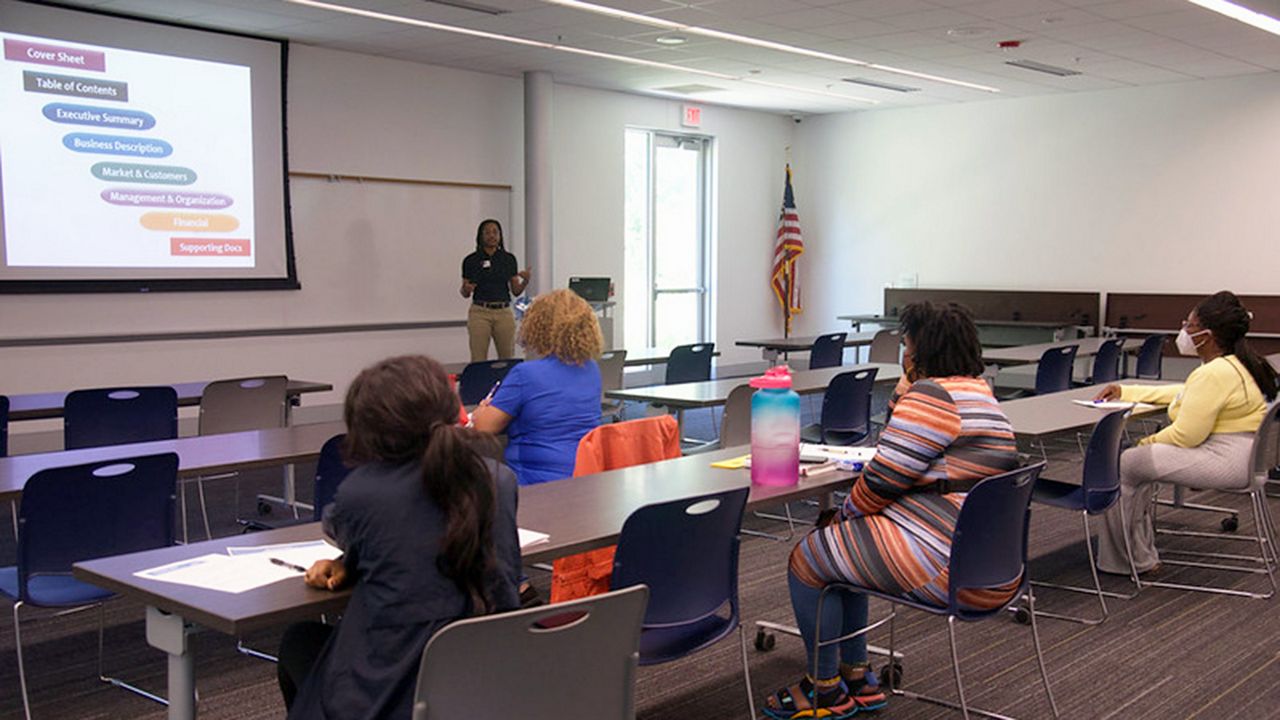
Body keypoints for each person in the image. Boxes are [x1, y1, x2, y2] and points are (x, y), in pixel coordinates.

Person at [765, 302, 1019, 719]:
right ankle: (858, 677)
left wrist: (842, 515)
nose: (902, 354)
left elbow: (882, 479)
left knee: (809, 556)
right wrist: (904, 393)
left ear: (920, 354)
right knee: (844, 549)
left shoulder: (934, 397)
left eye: (906, 346)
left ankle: (824, 690)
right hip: (987, 563)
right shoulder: (980, 393)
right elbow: (903, 456)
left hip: (947, 564)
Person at [277, 355, 521, 720]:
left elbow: (351, 531)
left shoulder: (363, 493)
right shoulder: (498, 480)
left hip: (385, 698)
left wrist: (346, 562)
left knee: (299, 641)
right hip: (478, 686)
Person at [1095, 291, 1278, 576]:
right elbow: (1186, 394)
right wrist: (1126, 391)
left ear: (1208, 335)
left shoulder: (1214, 373)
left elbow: (1185, 436)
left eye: (1189, 325)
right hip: (1242, 458)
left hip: (1225, 461)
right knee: (1136, 461)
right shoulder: (1233, 364)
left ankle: (1127, 559)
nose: (1183, 331)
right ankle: (1139, 552)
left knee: (1124, 464)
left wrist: (1144, 443)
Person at [470, 288, 603, 486]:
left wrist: (482, 409)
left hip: (534, 483)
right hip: (587, 476)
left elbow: (483, 427)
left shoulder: (525, 374)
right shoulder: (592, 369)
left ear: (537, 326)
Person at [461, 219, 529, 361]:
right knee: (478, 359)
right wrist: (466, 289)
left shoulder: (508, 259)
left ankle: (506, 383)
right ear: (481, 236)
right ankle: (479, 383)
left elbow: (515, 291)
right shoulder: (471, 260)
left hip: (503, 311)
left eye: (495, 232)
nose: (491, 236)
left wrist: (526, 281)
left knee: (507, 358)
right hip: (480, 312)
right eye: (487, 232)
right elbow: (464, 292)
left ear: (500, 236)